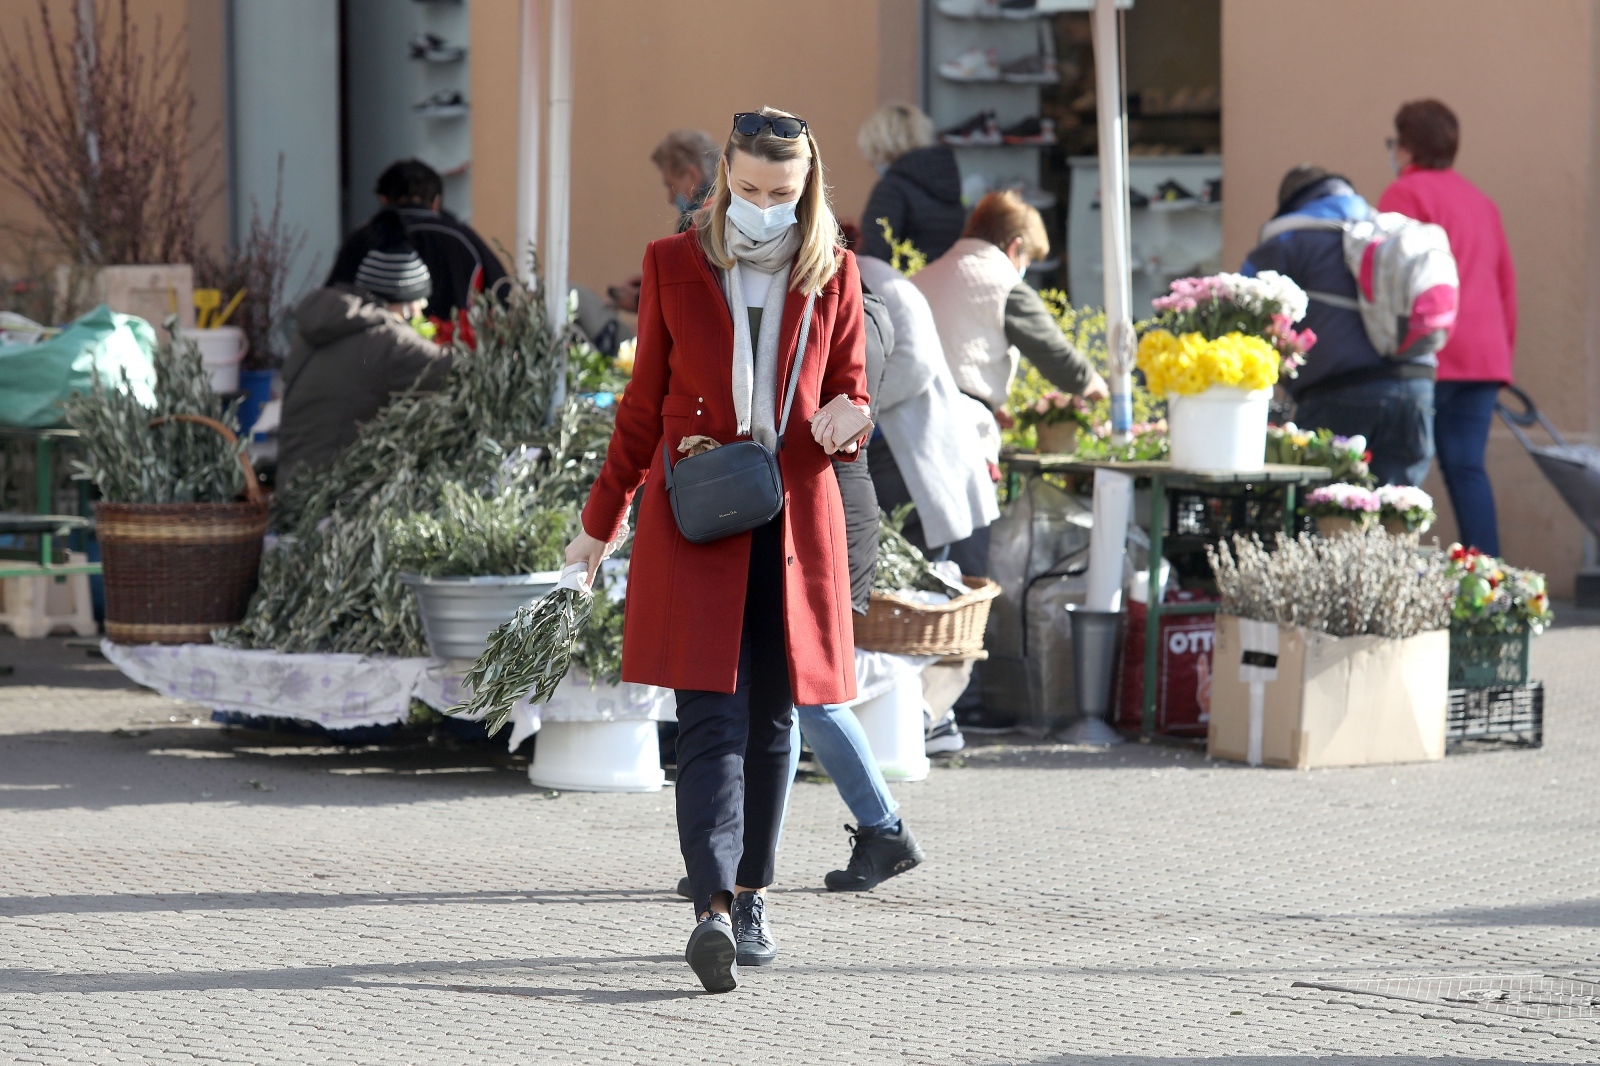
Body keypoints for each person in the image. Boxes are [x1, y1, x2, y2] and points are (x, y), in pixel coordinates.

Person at [567, 107, 869, 994]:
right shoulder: (672, 265)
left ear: (806, 187)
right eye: (747, 189)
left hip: (793, 521)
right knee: (708, 720)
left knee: (774, 720)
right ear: (721, 181)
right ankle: (711, 909)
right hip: (699, 513)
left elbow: (850, 390)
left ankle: (753, 892)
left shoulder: (835, 272)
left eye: (781, 193)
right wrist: (599, 520)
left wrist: (851, 420)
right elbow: (640, 407)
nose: (764, 206)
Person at [912, 190, 1108, 577]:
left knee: (915, 565)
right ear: (1015, 246)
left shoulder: (925, 277)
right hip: (959, 441)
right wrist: (1094, 385)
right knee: (962, 572)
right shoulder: (1001, 282)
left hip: (904, 436)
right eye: (1028, 260)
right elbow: (1058, 358)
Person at [1242, 165, 1436, 487]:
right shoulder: (1386, 230)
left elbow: (1244, 302)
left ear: (1291, 202)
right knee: (1397, 516)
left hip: (1339, 391)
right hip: (1417, 389)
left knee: (1328, 513)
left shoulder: (1289, 238)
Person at [1380, 100, 1515, 553]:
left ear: (1408, 147)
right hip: (1484, 356)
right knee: (1467, 468)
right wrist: (1500, 357)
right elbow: (1505, 288)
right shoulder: (1482, 202)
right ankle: (1490, 582)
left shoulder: (1404, 195)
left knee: (1402, 470)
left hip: (1429, 352)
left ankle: (1391, 578)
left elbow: (1392, 280)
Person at [278, 213, 451, 485]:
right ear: (405, 302)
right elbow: (464, 373)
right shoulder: (388, 342)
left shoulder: (317, 328)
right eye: (420, 302)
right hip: (334, 505)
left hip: (295, 490)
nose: (421, 311)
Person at [328, 159, 509, 323]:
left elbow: (334, 300)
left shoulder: (362, 237)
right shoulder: (464, 238)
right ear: (436, 201)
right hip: (453, 351)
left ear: (383, 199)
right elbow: (503, 297)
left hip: (379, 350)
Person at [857, 103, 966, 264]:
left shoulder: (892, 188)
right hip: (943, 283)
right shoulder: (946, 182)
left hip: (902, 282)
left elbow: (872, 258)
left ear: (880, 144)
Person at [652, 129, 722, 233]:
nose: (670, 199)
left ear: (691, 176)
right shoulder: (732, 209)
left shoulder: (693, 222)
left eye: (671, 186)